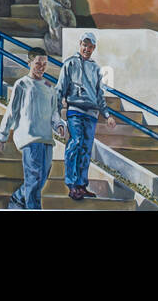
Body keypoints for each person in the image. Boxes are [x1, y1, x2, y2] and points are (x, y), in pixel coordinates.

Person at [0, 46, 66, 210]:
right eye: (38, 64)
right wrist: (2, 135)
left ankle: (17, 199)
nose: (41, 67)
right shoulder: (22, 84)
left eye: (44, 64)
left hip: (46, 139)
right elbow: (11, 112)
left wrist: (59, 126)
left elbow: (54, 113)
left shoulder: (50, 87)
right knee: (34, 178)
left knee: (41, 179)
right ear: (29, 63)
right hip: (29, 138)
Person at [56, 30, 116, 200]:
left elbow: (99, 95)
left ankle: (82, 185)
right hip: (75, 110)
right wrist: (56, 115)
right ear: (80, 44)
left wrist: (107, 115)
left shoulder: (96, 68)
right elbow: (59, 89)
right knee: (75, 143)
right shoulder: (69, 64)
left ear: (93, 48)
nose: (87, 49)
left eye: (90, 47)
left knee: (86, 149)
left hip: (92, 114)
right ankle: (72, 184)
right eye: (84, 45)